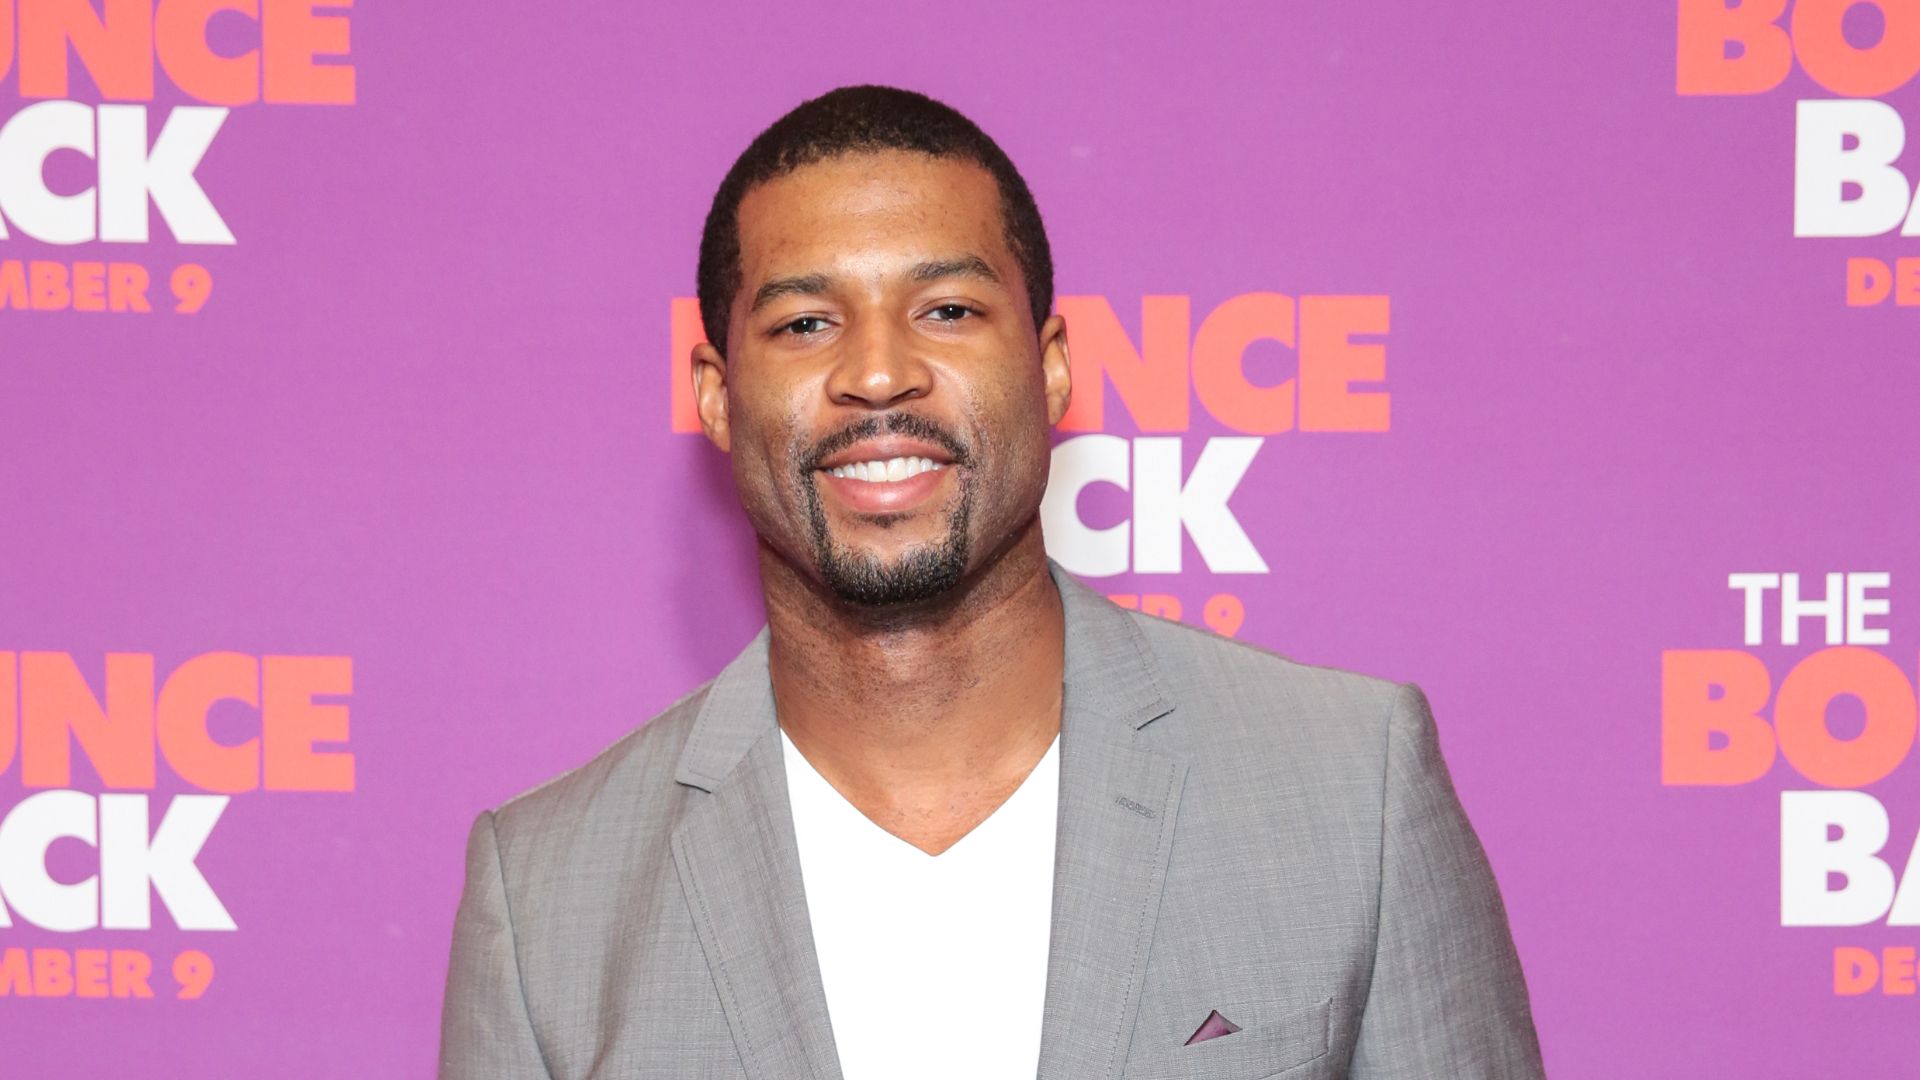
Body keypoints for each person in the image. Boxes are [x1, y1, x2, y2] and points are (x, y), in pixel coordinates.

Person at [440, 83, 1545, 1080]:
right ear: (719, 398)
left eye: (948, 310)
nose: (878, 372)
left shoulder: (1349, 790)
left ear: (1052, 364)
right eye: (807, 322)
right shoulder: (546, 903)